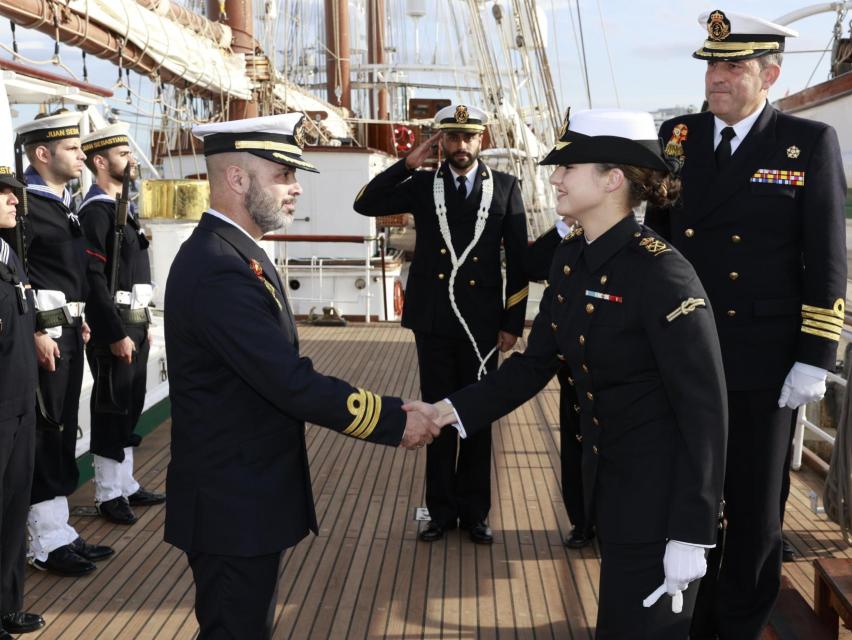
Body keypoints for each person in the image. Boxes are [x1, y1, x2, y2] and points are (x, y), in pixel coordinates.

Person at [410, 108, 728, 638]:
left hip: (660, 500)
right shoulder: (570, 259)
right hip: (611, 485)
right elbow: (534, 366)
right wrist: (446, 412)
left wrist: (692, 533)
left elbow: (705, 412)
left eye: (568, 167)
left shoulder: (662, 273)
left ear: (612, 179)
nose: (554, 177)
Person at [163, 113, 441, 640]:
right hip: (232, 505)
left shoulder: (235, 254)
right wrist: (392, 419)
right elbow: (288, 381)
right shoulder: (219, 268)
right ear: (237, 179)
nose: (294, 190)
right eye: (282, 175)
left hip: (245, 498)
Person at [643, 11, 847, 639]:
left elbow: (827, 256)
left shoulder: (806, 142)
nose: (717, 77)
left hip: (766, 359)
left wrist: (817, 354)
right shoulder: (678, 137)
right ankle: (689, 617)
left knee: (756, 510)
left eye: (733, 66)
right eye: (712, 64)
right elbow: (658, 240)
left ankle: (739, 625)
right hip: (686, 351)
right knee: (688, 494)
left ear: (770, 75)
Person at [353, 104, 530, 544]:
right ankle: (439, 511)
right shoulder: (421, 183)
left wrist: (513, 322)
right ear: (441, 142)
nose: (461, 146)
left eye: (468, 137)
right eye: (452, 138)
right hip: (434, 320)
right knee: (435, 415)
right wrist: (406, 164)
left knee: (478, 416)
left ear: (481, 139)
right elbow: (365, 204)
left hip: (483, 325)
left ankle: (475, 513)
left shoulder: (506, 188)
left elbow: (520, 265)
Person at [10, 113, 114, 577]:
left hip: (68, 333)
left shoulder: (63, 205)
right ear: (42, 154)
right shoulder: (25, 205)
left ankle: (60, 529)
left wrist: (81, 319)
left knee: (63, 428)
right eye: (71, 149)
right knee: (45, 432)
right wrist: (33, 331)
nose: (80, 155)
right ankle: (44, 542)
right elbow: (15, 273)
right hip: (44, 338)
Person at [79, 123, 165, 526]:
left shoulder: (121, 211)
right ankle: (108, 494)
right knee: (112, 407)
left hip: (134, 324)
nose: (132, 160)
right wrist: (113, 333)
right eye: (123, 154)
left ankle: (125, 483)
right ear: (100, 162)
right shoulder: (95, 212)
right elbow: (93, 281)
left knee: (130, 405)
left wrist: (140, 323)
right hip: (114, 329)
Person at [524, 220, 592, 549]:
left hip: (614, 375)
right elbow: (532, 265)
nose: (557, 180)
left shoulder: (640, 248)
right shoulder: (567, 241)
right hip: (572, 367)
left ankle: (607, 523)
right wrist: (564, 226)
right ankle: (581, 522)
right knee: (574, 444)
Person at [0, 166, 45, 637]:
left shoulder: (9, 255)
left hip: (19, 403)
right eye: (5, 195)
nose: (15, 201)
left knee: (14, 510)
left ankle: (7, 605)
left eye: (16, 194)